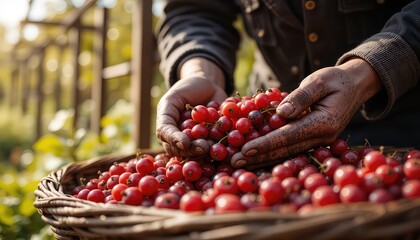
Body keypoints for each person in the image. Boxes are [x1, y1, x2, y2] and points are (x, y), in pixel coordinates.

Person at [155, 0, 420, 169]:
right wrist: (201, 71)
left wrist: (372, 68)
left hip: (402, 135)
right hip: (266, 147)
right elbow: (195, 9)